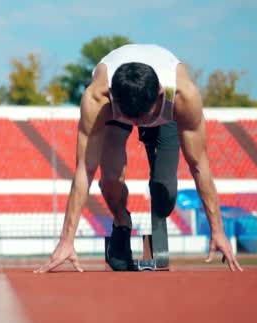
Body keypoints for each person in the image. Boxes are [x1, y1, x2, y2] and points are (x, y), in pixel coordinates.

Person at [35, 44, 243, 272]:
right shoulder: (98, 98)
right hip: (120, 111)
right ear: (114, 97)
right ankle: (122, 222)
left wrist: (218, 231)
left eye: (143, 117)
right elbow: (85, 169)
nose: (137, 125)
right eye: (130, 118)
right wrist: (66, 240)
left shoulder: (184, 95)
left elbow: (199, 165)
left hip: (165, 117)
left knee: (164, 195)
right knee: (111, 179)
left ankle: (158, 180)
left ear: (161, 94)